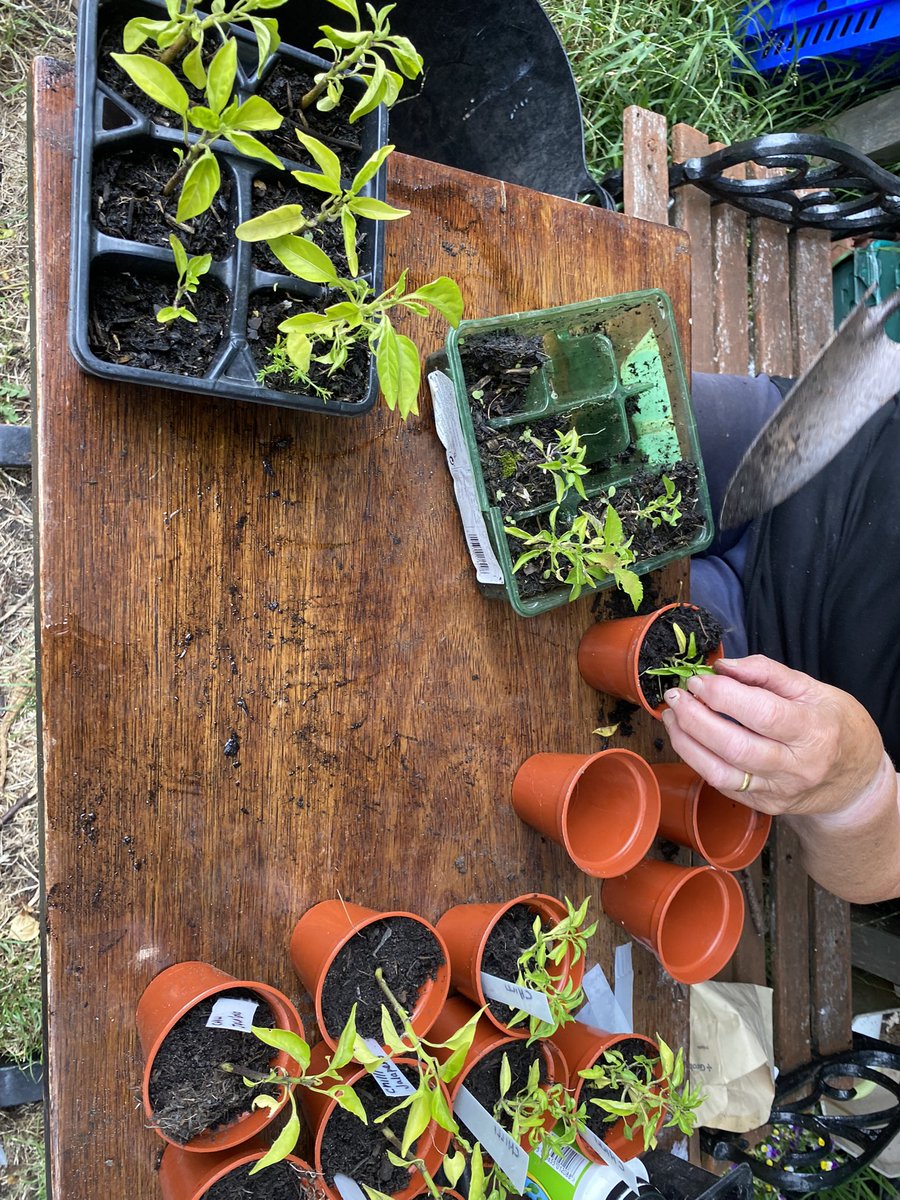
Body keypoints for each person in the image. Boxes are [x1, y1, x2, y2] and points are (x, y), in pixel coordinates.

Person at [663, 372, 900, 905]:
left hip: (765, 665)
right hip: (811, 436)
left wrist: (859, 789)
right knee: (568, 424)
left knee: (557, 605)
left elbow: (882, 873)